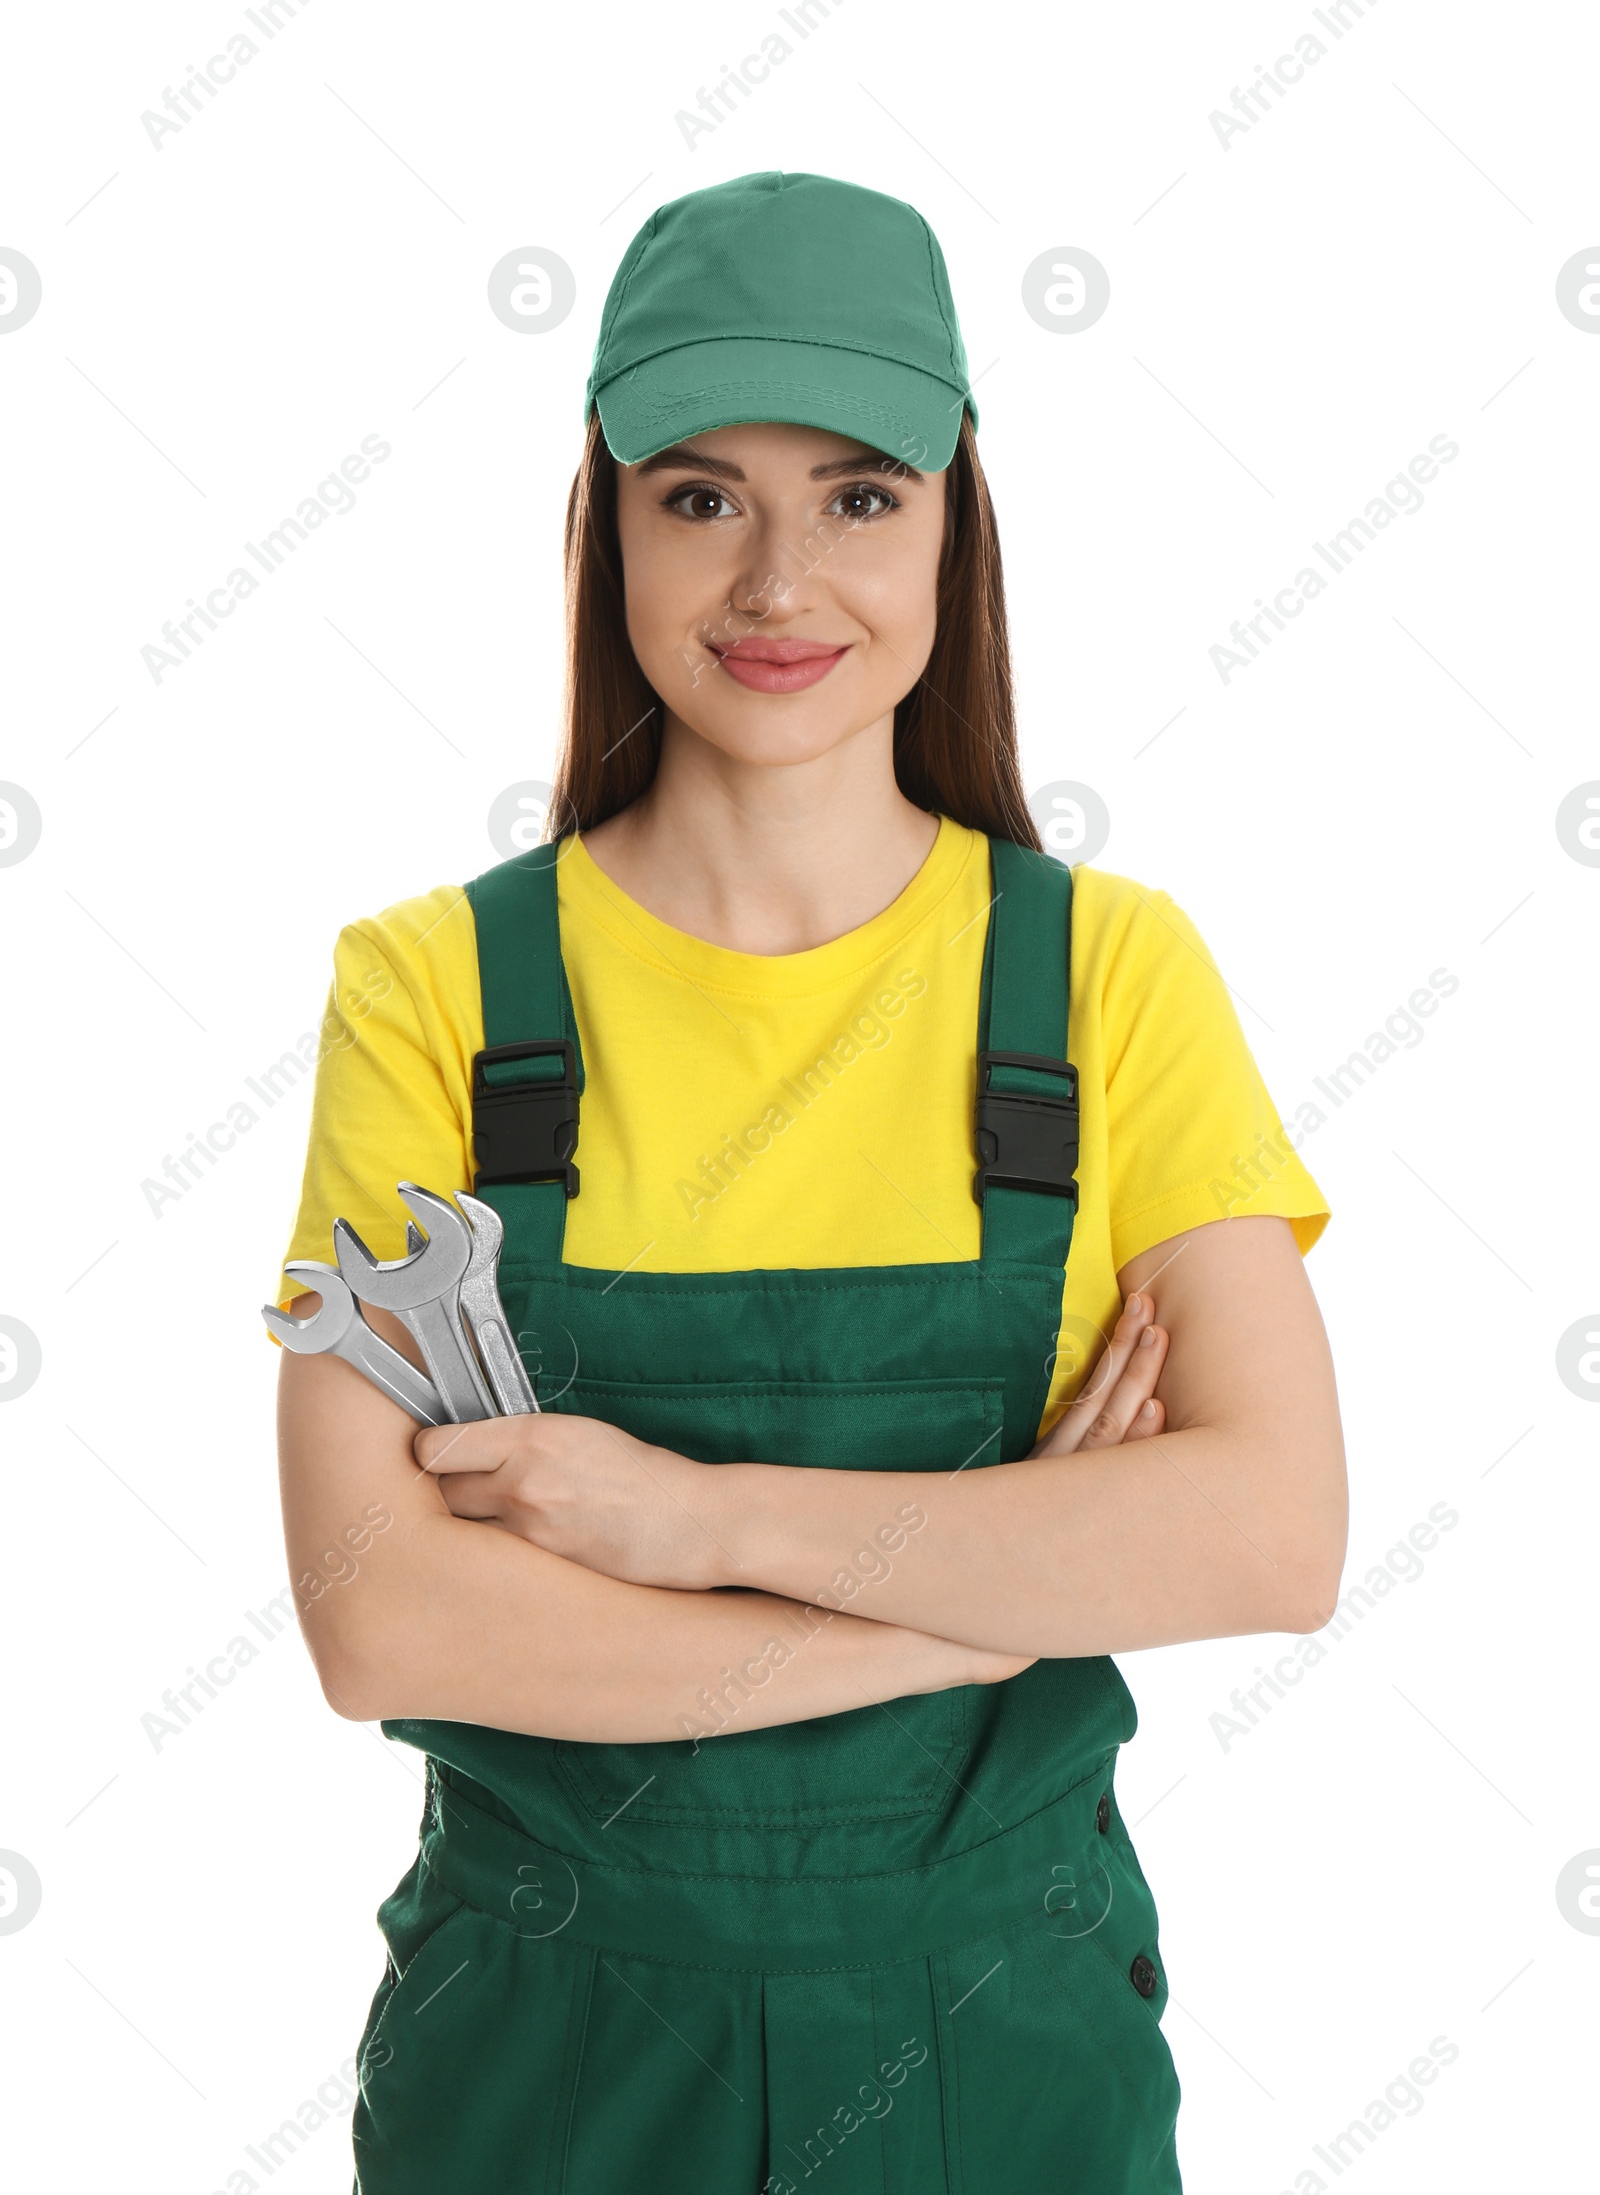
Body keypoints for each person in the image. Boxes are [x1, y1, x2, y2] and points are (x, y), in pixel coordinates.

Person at [272, 169, 1345, 2195]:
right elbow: (384, 1619)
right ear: (605, 525)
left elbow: (1263, 1532)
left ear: (955, 519)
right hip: (546, 2064)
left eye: (856, 494)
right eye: (699, 496)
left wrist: (681, 1522)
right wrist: (971, 1602)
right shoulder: (430, 987)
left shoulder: (1101, 976)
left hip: (1000, 2055)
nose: (776, 583)